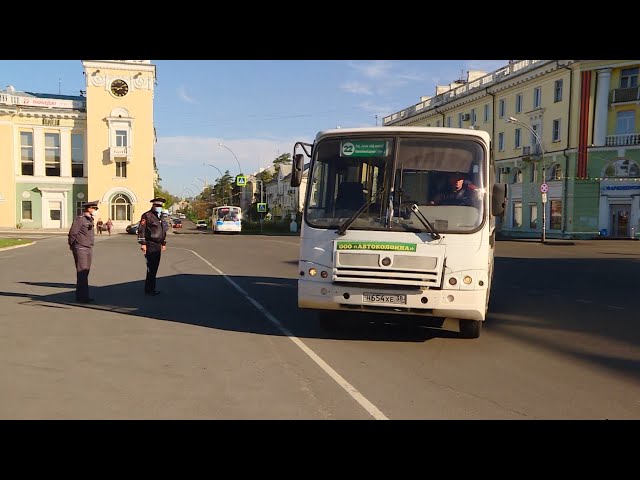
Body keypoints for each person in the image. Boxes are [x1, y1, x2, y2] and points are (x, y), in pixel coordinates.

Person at [68, 200, 99, 303]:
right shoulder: (80, 219)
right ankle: (82, 297)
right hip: (81, 248)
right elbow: (73, 233)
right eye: (94, 209)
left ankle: (83, 295)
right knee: (82, 272)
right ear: (89, 208)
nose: (95, 210)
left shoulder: (90, 219)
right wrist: (73, 246)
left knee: (85, 272)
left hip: (88, 248)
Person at [138, 197, 168, 296]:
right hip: (150, 244)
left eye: (160, 206)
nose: (159, 207)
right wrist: (143, 244)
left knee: (155, 267)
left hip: (158, 245)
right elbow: (141, 230)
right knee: (151, 268)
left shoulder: (161, 217)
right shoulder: (147, 215)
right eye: (157, 205)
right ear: (153, 205)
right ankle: (149, 289)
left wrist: (163, 243)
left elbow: (163, 231)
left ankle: (151, 288)